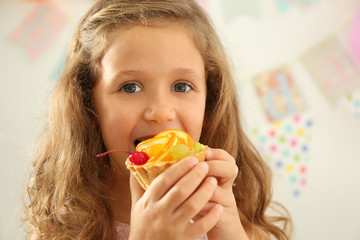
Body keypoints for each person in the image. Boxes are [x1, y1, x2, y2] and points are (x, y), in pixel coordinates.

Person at [25, 0, 292, 239]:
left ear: (209, 104)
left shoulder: (235, 221)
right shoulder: (66, 228)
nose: (161, 112)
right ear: (88, 104)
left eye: (181, 86)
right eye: (130, 87)